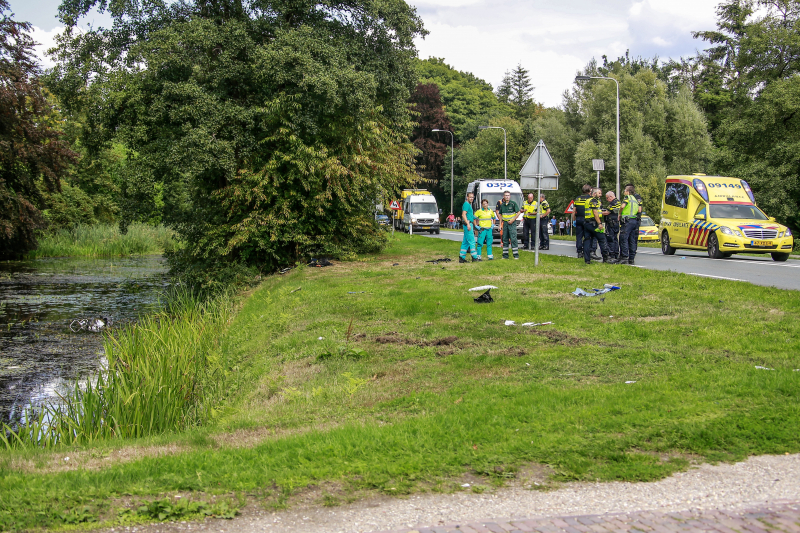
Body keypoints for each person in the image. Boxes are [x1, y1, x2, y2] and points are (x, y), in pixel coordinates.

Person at [584, 187, 613, 264]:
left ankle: (587, 260)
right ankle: (606, 258)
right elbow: (595, 212)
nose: (601, 195)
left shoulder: (587, 200)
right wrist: (599, 223)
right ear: (594, 193)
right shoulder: (594, 201)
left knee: (587, 241)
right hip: (594, 223)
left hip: (587, 223)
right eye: (599, 193)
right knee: (602, 239)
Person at [618, 184, 643, 265]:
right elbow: (639, 210)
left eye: (625, 190)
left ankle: (624, 257)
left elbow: (622, 206)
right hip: (635, 220)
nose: (624, 192)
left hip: (627, 221)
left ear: (628, 192)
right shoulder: (636, 199)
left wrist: (619, 214)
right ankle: (631, 258)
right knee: (632, 240)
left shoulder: (627, 198)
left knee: (623, 238)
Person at [496, 190, 522, 259]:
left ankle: (516, 255)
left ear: (510, 196)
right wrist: (500, 224)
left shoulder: (513, 204)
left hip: (512, 224)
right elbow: (500, 215)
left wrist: (513, 220)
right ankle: (505, 255)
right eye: (506, 195)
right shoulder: (502, 205)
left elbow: (518, 212)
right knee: (505, 239)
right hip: (505, 224)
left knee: (513, 238)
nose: (507, 197)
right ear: (503, 196)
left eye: (508, 195)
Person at [572, 185, 596, 259]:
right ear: (590, 191)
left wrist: (574, 220)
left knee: (579, 237)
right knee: (587, 236)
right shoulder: (591, 199)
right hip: (587, 220)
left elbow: (573, 211)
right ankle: (588, 252)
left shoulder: (577, 198)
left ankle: (579, 252)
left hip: (578, 219)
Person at [460, 192, 479, 263]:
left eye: (472, 197)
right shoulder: (466, 204)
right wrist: (468, 224)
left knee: (465, 242)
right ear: (467, 197)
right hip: (468, 224)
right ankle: (474, 257)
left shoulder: (468, 205)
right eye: (470, 197)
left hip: (468, 223)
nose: (471, 198)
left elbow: (469, 215)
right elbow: (463, 214)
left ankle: (461, 258)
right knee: (472, 241)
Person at [602, 191, 621, 261]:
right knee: (615, 239)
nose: (607, 200)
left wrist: (598, 212)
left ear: (611, 196)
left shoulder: (613, 203)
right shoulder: (618, 202)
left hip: (611, 223)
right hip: (616, 222)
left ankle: (611, 255)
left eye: (607, 198)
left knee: (610, 239)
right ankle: (616, 254)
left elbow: (607, 212)